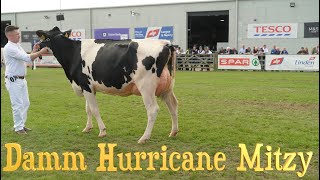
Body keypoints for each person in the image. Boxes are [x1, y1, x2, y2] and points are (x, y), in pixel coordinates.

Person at [3, 25, 49, 135]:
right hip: (13, 79)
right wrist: (42, 51)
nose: (19, 36)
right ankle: (18, 128)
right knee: (17, 104)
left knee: (25, 103)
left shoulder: (17, 46)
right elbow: (27, 58)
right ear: (9, 36)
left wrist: (34, 50)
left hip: (21, 79)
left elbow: (26, 57)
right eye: (17, 34)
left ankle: (21, 125)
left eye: (19, 33)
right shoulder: (10, 48)